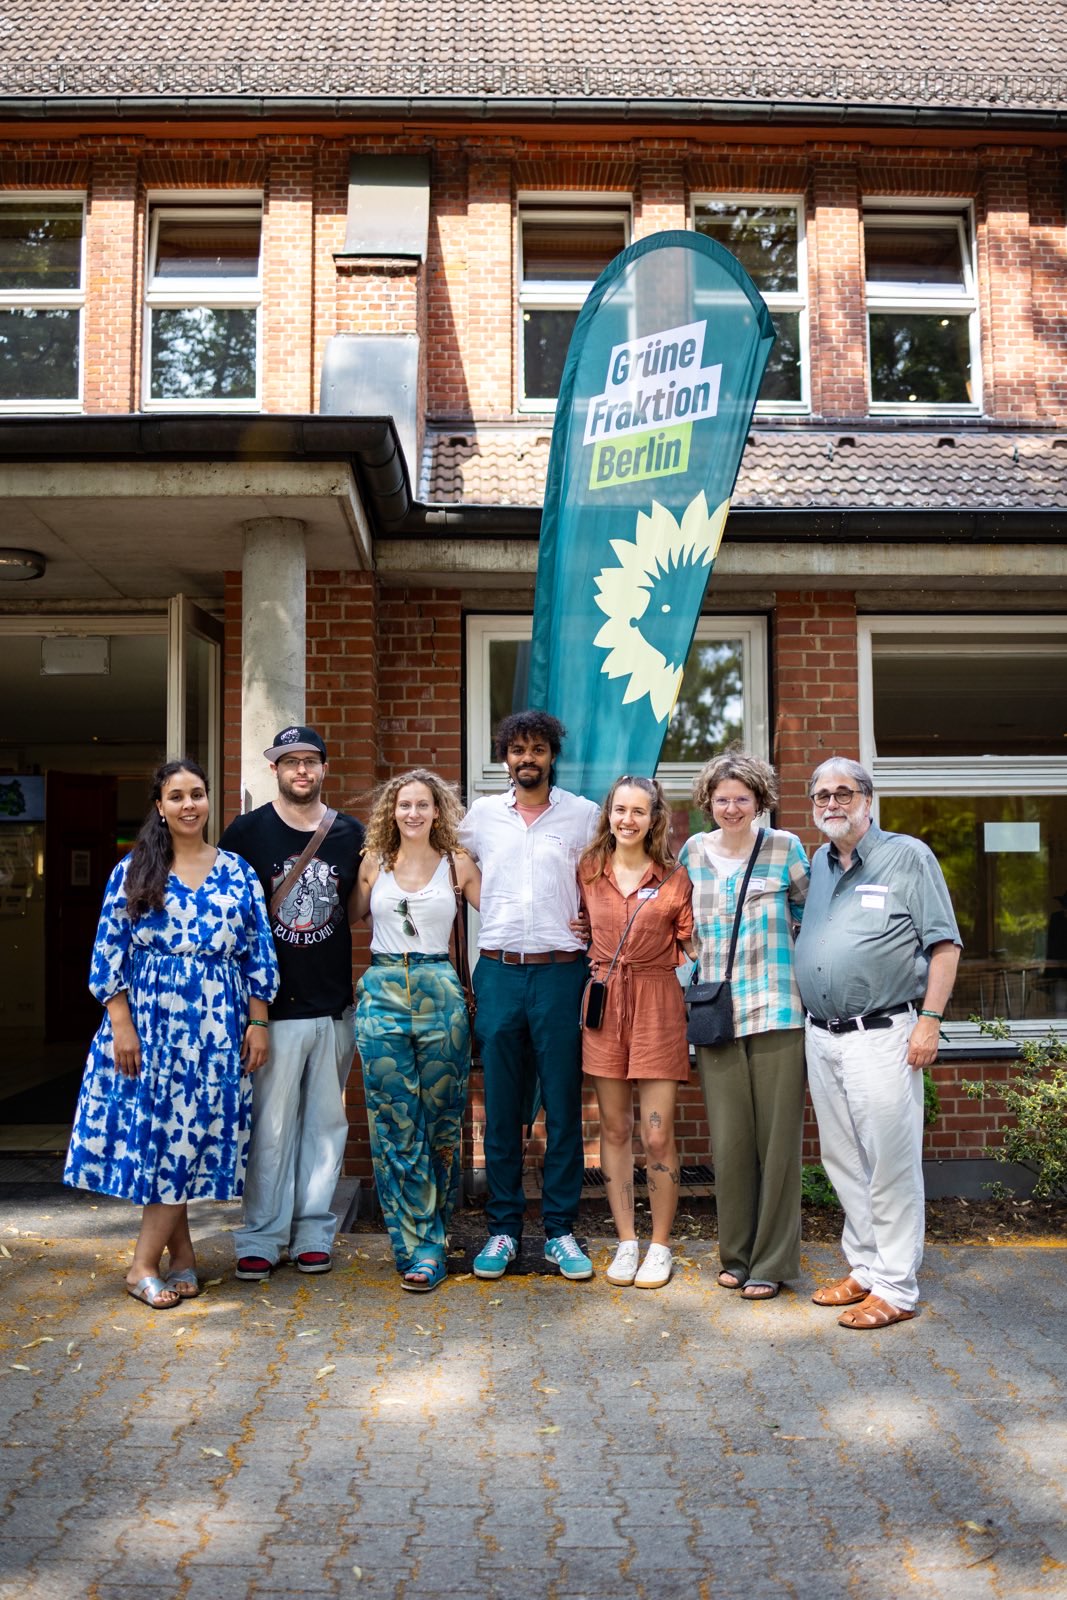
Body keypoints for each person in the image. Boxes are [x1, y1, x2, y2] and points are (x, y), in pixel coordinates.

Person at [64, 760, 279, 1309]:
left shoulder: (237, 871)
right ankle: (142, 1266)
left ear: (209, 802)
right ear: (159, 806)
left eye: (198, 794)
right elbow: (108, 951)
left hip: (215, 1030)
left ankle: (181, 1259)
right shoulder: (134, 870)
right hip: (150, 1027)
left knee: (185, 1143)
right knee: (167, 1145)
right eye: (177, 796)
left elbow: (258, 952)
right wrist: (121, 1024)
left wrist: (257, 1022)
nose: (189, 805)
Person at [795, 757, 961, 1330]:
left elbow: (944, 945)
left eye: (844, 792)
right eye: (822, 796)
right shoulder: (817, 862)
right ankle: (864, 1268)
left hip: (884, 1034)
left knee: (888, 1164)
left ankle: (897, 1287)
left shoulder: (907, 856)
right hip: (823, 1036)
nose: (832, 803)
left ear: (868, 798)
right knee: (842, 1159)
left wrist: (931, 1020)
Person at [218, 726, 364, 1280]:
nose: (301, 771)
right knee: (270, 1128)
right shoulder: (246, 833)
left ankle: (312, 1235)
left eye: (310, 761)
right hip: (271, 1009)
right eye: (290, 762)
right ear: (274, 770)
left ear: (324, 768)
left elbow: (351, 911)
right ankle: (260, 1235)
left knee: (325, 1126)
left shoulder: (349, 834)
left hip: (332, 1005)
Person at [459, 710, 600, 1281]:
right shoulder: (481, 818)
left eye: (537, 749)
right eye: (517, 750)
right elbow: (448, 856)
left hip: (562, 974)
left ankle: (561, 1231)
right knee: (500, 1109)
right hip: (497, 972)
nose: (527, 759)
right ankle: (503, 1231)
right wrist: (482, 905)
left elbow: (604, 878)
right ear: (505, 757)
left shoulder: (585, 816)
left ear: (552, 755)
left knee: (564, 1108)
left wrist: (594, 922)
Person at [680, 752, 810, 1301]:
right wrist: (689, 973)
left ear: (760, 800)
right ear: (708, 802)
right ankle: (735, 1253)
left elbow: (811, 917)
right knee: (731, 1143)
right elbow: (681, 928)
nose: (731, 807)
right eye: (722, 798)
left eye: (742, 797)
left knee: (777, 1144)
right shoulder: (691, 852)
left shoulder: (786, 849)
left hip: (779, 1009)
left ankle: (773, 1262)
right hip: (717, 1016)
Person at [352, 769, 481, 1292]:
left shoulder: (458, 863)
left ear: (438, 810)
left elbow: (501, 916)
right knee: (393, 1121)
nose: (412, 813)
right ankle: (417, 1247)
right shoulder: (373, 864)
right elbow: (343, 920)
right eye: (404, 805)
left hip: (440, 991)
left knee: (442, 1121)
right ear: (391, 810)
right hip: (382, 990)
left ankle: (437, 1233)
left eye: (422, 805)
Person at [579, 775, 694, 1290]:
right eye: (619, 810)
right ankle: (626, 1240)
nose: (627, 820)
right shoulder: (588, 870)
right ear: (609, 814)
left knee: (656, 1132)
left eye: (638, 812)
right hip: (604, 1001)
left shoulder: (674, 878)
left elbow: (694, 945)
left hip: (656, 1005)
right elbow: (577, 925)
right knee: (616, 1129)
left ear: (654, 819)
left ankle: (661, 1244)